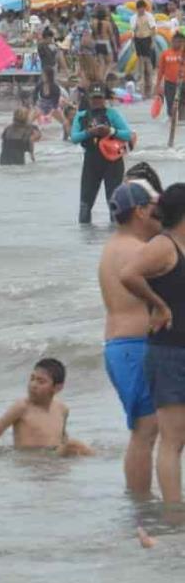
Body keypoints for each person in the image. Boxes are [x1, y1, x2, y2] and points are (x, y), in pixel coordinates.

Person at [121, 183, 185, 504]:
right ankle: (174, 514)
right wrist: (158, 305)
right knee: (173, 440)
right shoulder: (164, 245)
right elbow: (129, 274)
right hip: (169, 351)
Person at [97, 181, 162, 496]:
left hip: (121, 347)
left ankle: (142, 503)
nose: (158, 213)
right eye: (153, 207)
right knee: (145, 431)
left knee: (146, 431)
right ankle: (141, 506)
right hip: (133, 348)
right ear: (139, 211)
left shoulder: (115, 246)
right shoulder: (139, 251)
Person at [0, 358, 93, 457]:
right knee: (73, 445)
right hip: (30, 462)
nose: (33, 385)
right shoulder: (21, 407)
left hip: (52, 461)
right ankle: (101, 459)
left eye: (41, 381)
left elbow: (62, 439)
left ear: (57, 388)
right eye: (32, 378)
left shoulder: (62, 409)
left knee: (73, 447)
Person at [71, 82, 132, 225]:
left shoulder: (113, 114)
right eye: (94, 98)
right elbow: (74, 138)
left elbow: (128, 135)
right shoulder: (81, 116)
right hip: (91, 161)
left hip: (113, 162)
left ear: (104, 98)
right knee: (85, 205)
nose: (97, 101)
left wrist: (111, 131)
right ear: (88, 98)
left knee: (114, 204)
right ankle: (85, 240)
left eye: (99, 98)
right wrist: (89, 132)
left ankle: (116, 237)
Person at [156, 32, 185, 121]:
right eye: (176, 42)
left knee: (182, 104)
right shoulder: (165, 54)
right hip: (169, 83)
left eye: (180, 42)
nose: (178, 44)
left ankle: (181, 123)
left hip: (183, 82)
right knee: (170, 103)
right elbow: (161, 70)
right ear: (172, 42)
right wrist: (158, 85)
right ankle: (171, 121)